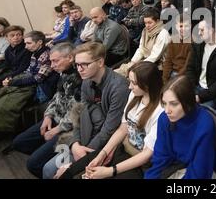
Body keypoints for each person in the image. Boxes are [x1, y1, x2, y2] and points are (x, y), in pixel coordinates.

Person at [42, 42, 129, 179]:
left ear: (100, 62)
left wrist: (80, 156)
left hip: (105, 143)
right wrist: (75, 143)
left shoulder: (119, 87)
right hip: (86, 135)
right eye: (77, 65)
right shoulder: (87, 81)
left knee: (53, 171)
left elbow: (109, 129)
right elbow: (79, 114)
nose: (79, 69)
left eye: (84, 64)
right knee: (47, 169)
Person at [64, 61, 164, 179]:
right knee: (71, 171)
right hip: (123, 149)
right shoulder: (135, 95)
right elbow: (123, 128)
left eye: (133, 83)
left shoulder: (160, 111)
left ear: (147, 85)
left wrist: (110, 171)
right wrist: (103, 153)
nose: (129, 86)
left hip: (139, 163)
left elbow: (146, 155)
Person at [12, 43, 82, 178]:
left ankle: (53, 165)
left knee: (33, 164)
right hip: (55, 118)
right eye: (51, 61)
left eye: (56, 61)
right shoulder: (63, 73)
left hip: (68, 128)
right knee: (19, 143)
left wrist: (56, 130)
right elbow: (57, 96)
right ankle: (47, 155)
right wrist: (48, 116)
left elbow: (77, 112)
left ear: (70, 58)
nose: (52, 65)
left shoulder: (80, 77)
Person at [145, 75, 216, 179]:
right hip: (174, 167)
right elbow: (160, 157)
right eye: (164, 103)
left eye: (174, 104)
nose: (167, 110)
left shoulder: (204, 124)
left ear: (188, 102)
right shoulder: (164, 118)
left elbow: (200, 171)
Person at [0, 31, 59, 136]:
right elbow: (28, 71)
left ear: (39, 42)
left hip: (41, 89)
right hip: (29, 82)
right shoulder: (35, 53)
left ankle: (3, 130)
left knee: (3, 105)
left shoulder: (47, 56)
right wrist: (11, 79)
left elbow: (38, 79)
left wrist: (14, 82)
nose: (26, 47)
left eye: (28, 43)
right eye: (25, 43)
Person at [185, 19, 216, 109]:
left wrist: (201, 96)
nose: (199, 33)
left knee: (201, 112)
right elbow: (190, 69)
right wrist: (192, 89)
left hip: (215, 94)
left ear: (212, 30)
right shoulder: (198, 45)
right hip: (197, 87)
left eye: (202, 30)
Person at [115, 8, 170, 76]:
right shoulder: (145, 31)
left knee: (131, 75)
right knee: (121, 71)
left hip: (158, 65)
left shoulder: (163, 34)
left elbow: (155, 56)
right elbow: (141, 49)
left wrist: (138, 66)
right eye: (145, 23)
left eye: (150, 23)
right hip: (145, 61)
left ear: (158, 21)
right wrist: (133, 62)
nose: (147, 26)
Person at [162, 15, 192, 84]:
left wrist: (174, 80)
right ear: (176, 27)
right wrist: (165, 80)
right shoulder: (173, 40)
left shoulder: (193, 43)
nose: (183, 29)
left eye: (186, 26)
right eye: (181, 26)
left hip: (185, 75)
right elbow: (168, 61)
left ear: (190, 26)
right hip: (172, 73)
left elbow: (187, 66)